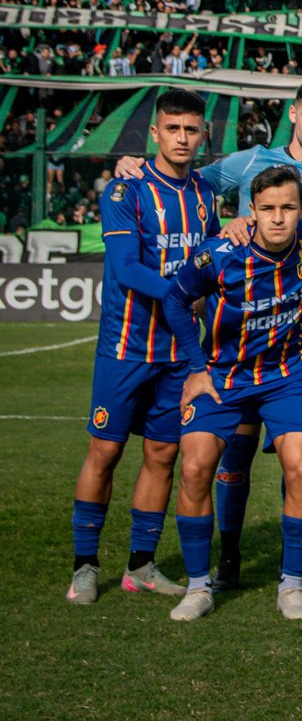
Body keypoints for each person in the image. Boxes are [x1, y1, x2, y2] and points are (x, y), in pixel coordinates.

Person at [115, 77, 302, 592]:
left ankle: (299, 566)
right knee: (235, 453)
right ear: (294, 114)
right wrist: (133, 168)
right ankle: (228, 557)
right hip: (242, 333)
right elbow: (185, 183)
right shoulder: (248, 163)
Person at [160, 165, 302, 621]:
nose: (278, 218)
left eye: (288, 208)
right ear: (251, 212)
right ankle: (197, 587)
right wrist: (195, 368)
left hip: (285, 375)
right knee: (193, 468)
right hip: (222, 378)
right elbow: (174, 299)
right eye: (267, 209)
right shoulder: (221, 253)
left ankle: (291, 585)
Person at [68, 88, 218, 605]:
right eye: (172, 128)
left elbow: (212, 258)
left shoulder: (203, 193)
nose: (182, 138)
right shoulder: (124, 191)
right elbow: (127, 268)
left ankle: (141, 565)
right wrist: (185, 292)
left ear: (203, 134)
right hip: (127, 346)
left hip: (179, 353)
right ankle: (85, 566)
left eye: (191, 129)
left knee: (162, 454)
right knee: (105, 451)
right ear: (154, 133)